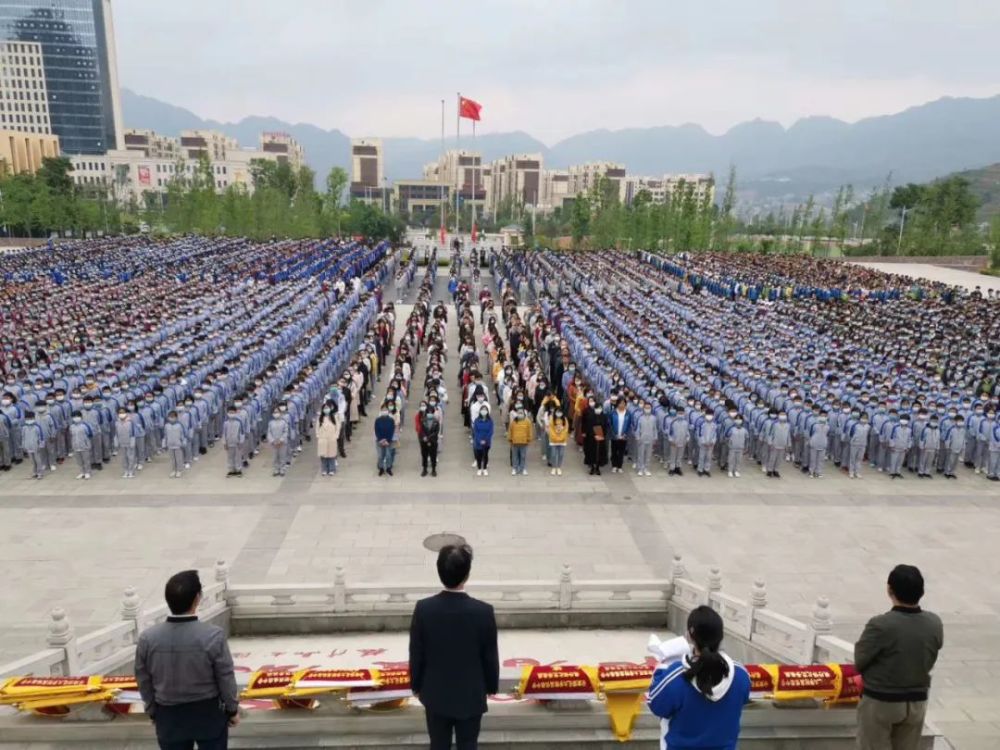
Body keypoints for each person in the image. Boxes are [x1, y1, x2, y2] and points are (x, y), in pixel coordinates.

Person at [135, 570, 240, 750]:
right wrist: (232, 710)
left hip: (168, 716)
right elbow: (225, 677)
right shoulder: (213, 636)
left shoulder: (148, 639)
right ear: (197, 599)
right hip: (208, 715)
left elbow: (143, 679)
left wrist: (153, 711)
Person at [409, 545, 499, 750]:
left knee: (438, 744)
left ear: (439, 571)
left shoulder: (424, 609)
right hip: (471, 693)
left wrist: (416, 685)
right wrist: (491, 686)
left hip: (435, 693)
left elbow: (416, 652)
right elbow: (489, 656)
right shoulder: (483, 611)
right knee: (468, 744)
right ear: (467, 573)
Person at [854, 565, 943, 750]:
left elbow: (860, 660)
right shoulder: (934, 622)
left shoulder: (880, 624)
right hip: (916, 700)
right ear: (921, 591)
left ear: (889, 589)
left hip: (881, 700)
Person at [647, 605, 751, 750]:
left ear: (690, 635)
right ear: (721, 636)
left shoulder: (678, 676)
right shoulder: (741, 675)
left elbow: (656, 704)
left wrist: (662, 667)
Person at [316, 406, 342, 477]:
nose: (326, 410)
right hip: (323, 439)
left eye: (327, 408)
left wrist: (336, 436)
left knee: (331, 455)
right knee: (323, 455)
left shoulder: (334, 417)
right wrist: (318, 436)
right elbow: (317, 428)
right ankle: (324, 469)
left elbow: (338, 427)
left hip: (331, 439)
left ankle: (331, 469)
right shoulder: (320, 418)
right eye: (325, 408)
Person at [508, 407, 533, 475]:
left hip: (524, 442)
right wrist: (510, 439)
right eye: (519, 413)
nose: (520, 414)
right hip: (515, 442)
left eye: (521, 413)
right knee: (515, 457)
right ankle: (515, 469)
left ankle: (523, 469)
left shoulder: (527, 422)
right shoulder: (513, 422)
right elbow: (510, 431)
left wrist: (529, 439)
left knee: (523, 456)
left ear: (524, 414)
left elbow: (529, 431)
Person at [471, 406, 494, 476]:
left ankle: (484, 468)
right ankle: (479, 469)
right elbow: (475, 431)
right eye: (482, 410)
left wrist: (486, 440)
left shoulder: (490, 421)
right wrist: (479, 440)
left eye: (485, 410)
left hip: (487, 441)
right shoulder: (476, 420)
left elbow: (491, 431)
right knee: (479, 456)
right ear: (480, 411)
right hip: (478, 441)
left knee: (485, 455)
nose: (484, 411)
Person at [374, 405, 396, 476]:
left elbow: (392, 430)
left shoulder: (391, 420)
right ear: (381, 411)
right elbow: (376, 430)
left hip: (389, 441)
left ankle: (388, 468)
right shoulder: (377, 420)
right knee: (380, 456)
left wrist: (388, 440)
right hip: (379, 441)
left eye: (386, 410)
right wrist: (380, 439)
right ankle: (381, 468)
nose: (384, 411)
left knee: (388, 455)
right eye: (383, 410)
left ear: (388, 411)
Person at [547, 409, 569, 476]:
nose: (559, 413)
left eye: (560, 412)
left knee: (561, 454)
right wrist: (555, 437)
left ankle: (559, 467)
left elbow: (566, 430)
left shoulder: (565, 419)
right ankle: (554, 467)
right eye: (557, 412)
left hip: (562, 440)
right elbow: (551, 430)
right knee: (553, 454)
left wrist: (561, 437)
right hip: (553, 440)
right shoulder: (551, 419)